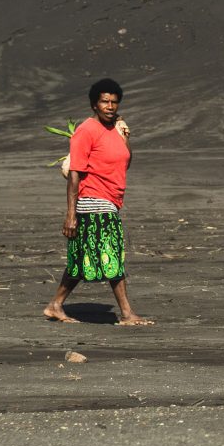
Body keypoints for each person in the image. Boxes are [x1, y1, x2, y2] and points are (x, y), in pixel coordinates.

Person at [44, 78, 150, 326]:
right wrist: (71, 214)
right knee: (112, 254)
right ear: (94, 104)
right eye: (105, 101)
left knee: (81, 259)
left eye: (114, 102)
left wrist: (125, 137)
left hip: (111, 200)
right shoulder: (86, 130)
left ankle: (55, 305)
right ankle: (126, 313)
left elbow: (125, 162)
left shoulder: (116, 130)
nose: (110, 106)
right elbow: (75, 174)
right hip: (93, 203)